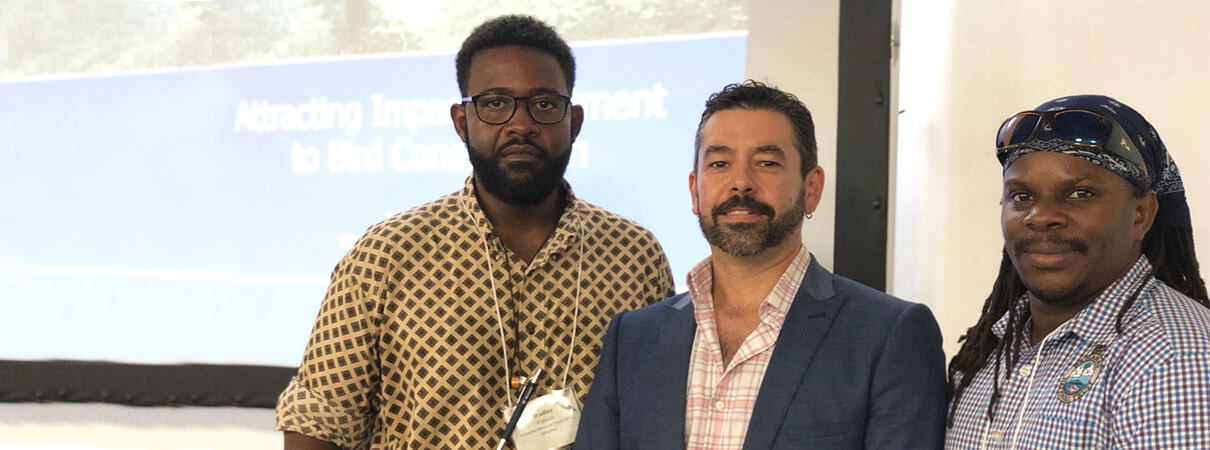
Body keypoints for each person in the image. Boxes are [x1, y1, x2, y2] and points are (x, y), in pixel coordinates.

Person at [275, 15, 676, 449]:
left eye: (543, 104)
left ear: (573, 122)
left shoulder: (634, 256)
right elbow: (319, 425)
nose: (520, 124)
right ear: (462, 121)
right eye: (495, 103)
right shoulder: (386, 255)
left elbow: (657, 416)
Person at [575, 80, 947, 449]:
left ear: (811, 189)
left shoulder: (889, 336)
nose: (741, 183)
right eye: (720, 163)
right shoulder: (634, 338)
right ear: (695, 190)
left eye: (767, 163)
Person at [945, 95, 1210, 449]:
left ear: (1141, 214)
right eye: (1021, 197)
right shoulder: (989, 353)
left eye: (1079, 193)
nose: (1039, 216)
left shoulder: (1176, 359)